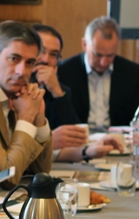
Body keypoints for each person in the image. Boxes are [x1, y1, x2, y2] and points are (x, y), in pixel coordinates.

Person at [0, 21, 53, 183]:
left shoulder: (21, 93)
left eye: (30, 63)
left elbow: (41, 172)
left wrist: (38, 117)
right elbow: (3, 178)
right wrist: (26, 118)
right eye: (14, 59)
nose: (22, 71)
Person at [32, 24, 123, 162]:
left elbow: (75, 138)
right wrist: (48, 141)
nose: (45, 59)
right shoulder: (12, 90)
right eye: (41, 51)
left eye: (53, 55)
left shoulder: (56, 89)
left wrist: (57, 92)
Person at [58, 16, 139, 129]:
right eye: (98, 55)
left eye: (110, 55)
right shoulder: (64, 71)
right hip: (79, 140)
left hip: (118, 140)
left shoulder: (132, 73)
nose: (104, 62)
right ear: (84, 44)